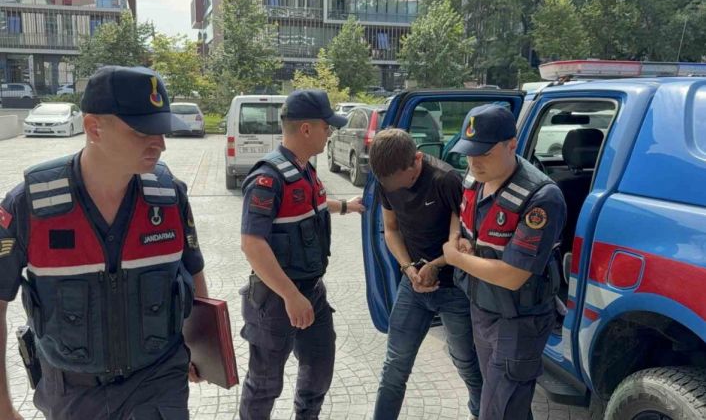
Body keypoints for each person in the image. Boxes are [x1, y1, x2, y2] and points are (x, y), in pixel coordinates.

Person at [0, 66, 209, 420]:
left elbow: (193, 270)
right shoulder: (29, 206)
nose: (160, 144)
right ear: (94, 128)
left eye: (161, 130)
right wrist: (3, 408)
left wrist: (203, 350)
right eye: (142, 131)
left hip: (158, 380)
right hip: (71, 391)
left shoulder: (169, 197)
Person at [239, 89, 365, 420]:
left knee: (319, 366)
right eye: (327, 126)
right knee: (264, 384)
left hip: (311, 292)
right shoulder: (268, 178)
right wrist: (291, 296)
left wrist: (346, 206)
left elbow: (311, 204)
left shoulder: (304, 169)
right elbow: (252, 243)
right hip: (276, 299)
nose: (330, 133)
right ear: (307, 129)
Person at [442, 104, 566, 420]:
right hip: (482, 307)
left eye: (484, 153)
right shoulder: (475, 177)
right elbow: (461, 214)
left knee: (497, 411)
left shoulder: (540, 197)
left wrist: (456, 258)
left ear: (512, 144)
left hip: (518, 320)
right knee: (508, 406)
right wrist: (458, 237)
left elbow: (513, 275)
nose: (474, 162)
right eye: (469, 153)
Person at [368, 129, 483, 420]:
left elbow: (468, 239)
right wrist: (408, 268)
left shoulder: (445, 180)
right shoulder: (386, 180)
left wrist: (436, 264)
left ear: (417, 159)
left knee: (465, 361)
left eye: (403, 181)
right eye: (390, 185)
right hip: (413, 284)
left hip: (454, 287)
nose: (397, 188)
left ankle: (480, 411)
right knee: (395, 365)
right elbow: (391, 229)